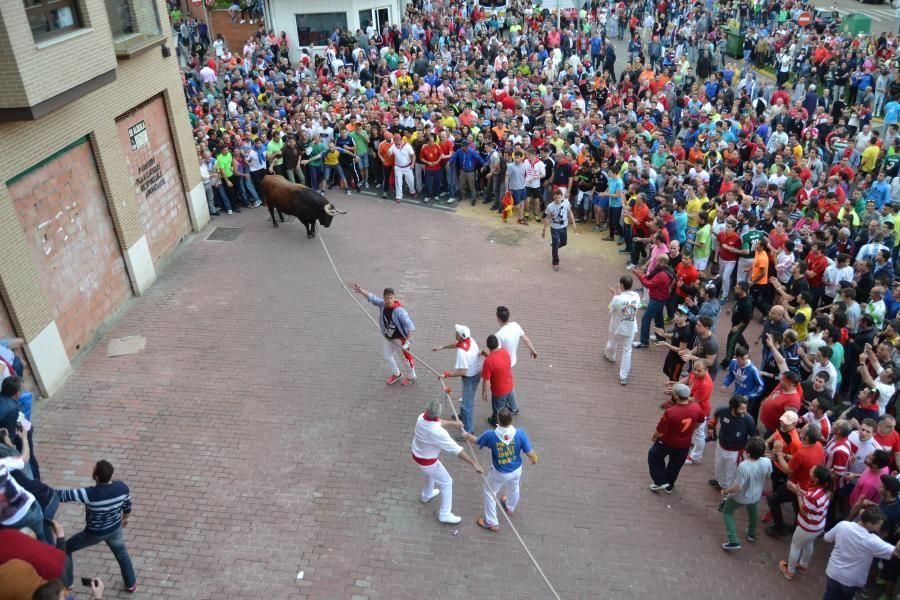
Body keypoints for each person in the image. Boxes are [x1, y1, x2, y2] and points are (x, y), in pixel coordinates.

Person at [60, 460, 136, 593]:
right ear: (111, 475)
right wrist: (125, 518)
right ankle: (131, 584)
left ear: (96, 476)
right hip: (114, 529)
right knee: (122, 554)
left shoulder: (89, 494)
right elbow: (127, 505)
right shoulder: (122, 488)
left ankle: (68, 583)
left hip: (94, 533)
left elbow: (62, 495)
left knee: (65, 548)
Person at [463, 408, 538, 532]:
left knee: (489, 492)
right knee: (514, 487)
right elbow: (531, 453)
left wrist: (466, 435)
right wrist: (534, 460)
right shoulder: (519, 433)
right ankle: (510, 507)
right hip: (516, 469)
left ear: (498, 420)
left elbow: (476, 441)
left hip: (500, 472)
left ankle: (492, 522)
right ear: (511, 420)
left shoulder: (491, 435)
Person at [410, 398, 482, 525]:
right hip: (428, 462)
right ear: (437, 415)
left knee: (430, 475)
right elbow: (457, 450)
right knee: (447, 482)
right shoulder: (438, 433)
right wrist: (473, 463)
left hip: (417, 455)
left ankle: (426, 495)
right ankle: (444, 514)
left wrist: (453, 423)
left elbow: (438, 422)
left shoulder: (421, 417)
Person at [822, 507, 900, 599]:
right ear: (869, 524)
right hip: (850, 581)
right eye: (879, 524)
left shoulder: (843, 525)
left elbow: (826, 538)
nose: (880, 527)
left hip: (833, 572)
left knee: (829, 595)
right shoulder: (872, 541)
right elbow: (896, 553)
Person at [350, 282, 417, 386]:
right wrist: (361, 290)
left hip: (399, 339)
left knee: (405, 359)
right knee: (387, 356)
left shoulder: (399, 311)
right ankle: (396, 373)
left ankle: (412, 376)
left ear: (394, 298)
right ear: (384, 298)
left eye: (391, 298)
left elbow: (411, 327)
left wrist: (407, 343)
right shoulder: (382, 304)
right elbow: (372, 298)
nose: (389, 300)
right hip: (388, 337)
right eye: (386, 298)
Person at [648, 383, 704, 494]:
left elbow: (660, 430)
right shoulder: (696, 407)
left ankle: (660, 481)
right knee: (675, 465)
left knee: (654, 456)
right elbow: (699, 422)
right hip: (684, 443)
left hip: (667, 442)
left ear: (677, 396)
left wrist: (654, 436)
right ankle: (669, 485)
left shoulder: (671, 412)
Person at [778, 466, 832, 580]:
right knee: (808, 544)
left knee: (795, 546)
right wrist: (800, 492)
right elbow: (810, 501)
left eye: (812, 471)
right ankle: (803, 565)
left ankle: (790, 571)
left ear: (816, 479)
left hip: (807, 526)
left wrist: (798, 494)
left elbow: (803, 510)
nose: (810, 471)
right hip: (818, 526)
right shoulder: (826, 490)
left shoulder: (813, 495)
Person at [721, 437, 771, 551]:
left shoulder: (744, 466)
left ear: (747, 452)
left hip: (741, 497)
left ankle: (733, 540)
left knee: (727, 512)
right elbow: (768, 476)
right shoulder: (767, 461)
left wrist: (725, 491)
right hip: (756, 494)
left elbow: (737, 487)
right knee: (753, 511)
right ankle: (751, 533)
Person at [433, 324, 482, 435]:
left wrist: (447, 375)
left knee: (467, 405)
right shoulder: (470, 340)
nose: (455, 333)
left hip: (469, 377)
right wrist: (442, 347)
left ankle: (469, 431)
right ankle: (461, 415)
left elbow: (462, 371)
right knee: (466, 398)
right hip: (476, 373)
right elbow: (457, 344)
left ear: (460, 336)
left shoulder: (462, 353)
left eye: (456, 332)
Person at [708, 395, 758, 494]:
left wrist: (750, 451)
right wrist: (711, 427)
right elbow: (715, 417)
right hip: (721, 445)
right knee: (719, 466)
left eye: (745, 408)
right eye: (742, 409)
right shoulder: (723, 411)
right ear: (733, 408)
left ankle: (728, 493)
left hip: (735, 452)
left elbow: (754, 436)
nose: (745, 411)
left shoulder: (748, 420)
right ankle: (721, 483)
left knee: (731, 473)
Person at [605, 275, 641, 385]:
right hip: (630, 328)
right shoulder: (636, 296)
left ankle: (611, 356)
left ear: (621, 285)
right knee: (627, 351)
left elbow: (609, 310)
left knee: (612, 344)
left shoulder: (617, 299)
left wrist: (614, 295)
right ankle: (623, 376)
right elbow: (634, 306)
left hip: (616, 327)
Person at [481, 335, 515, 426]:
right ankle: (511, 410)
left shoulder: (488, 361)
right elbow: (498, 362)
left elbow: (486, 380)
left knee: (498, 410)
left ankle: (497, 423)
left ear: (488, 346)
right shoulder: (505, 352)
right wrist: (487, 355)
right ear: (497, 344)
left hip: (499, 391)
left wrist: (484, 393)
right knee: (504, 404)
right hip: (509, 385)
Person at [542, 189, 576, 271]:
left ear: (562, 197)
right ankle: (555, 262)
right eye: (556, 197)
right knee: (555, 245)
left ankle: (554, 245)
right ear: (554, 197)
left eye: (559, 197)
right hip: (554, 228)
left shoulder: (566, 203)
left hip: (564, 227)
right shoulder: (550, 206)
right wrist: (544, 230)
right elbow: (547, 218)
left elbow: (570, 212)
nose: (557, 199)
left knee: (564, 243)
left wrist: (574, 223)